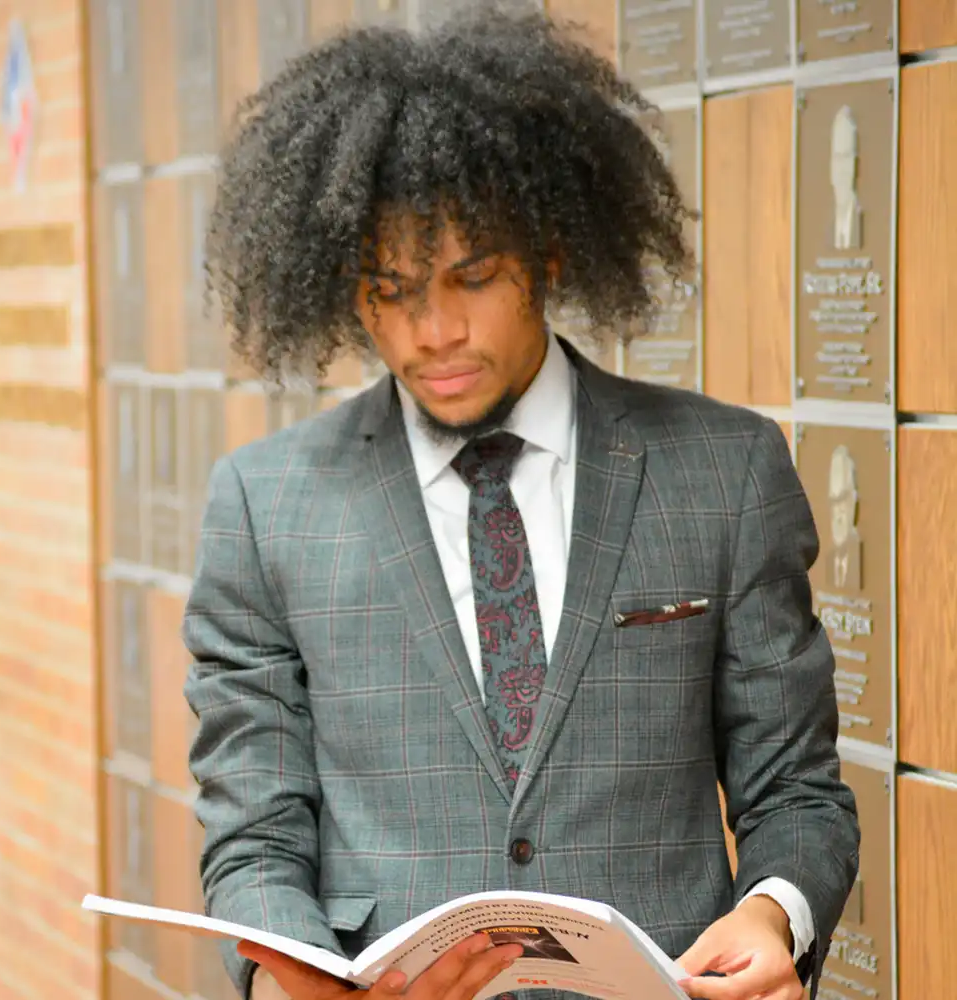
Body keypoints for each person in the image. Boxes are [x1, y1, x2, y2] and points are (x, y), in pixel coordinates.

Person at [182, 7, 860, 1000]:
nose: (434, 330)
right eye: (391, 289)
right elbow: (253, 837)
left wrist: (772, 912)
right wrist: (288, 974)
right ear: (346, 292)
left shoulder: (724, 470)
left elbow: (795, 791)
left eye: (472, 276)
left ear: (546, 254)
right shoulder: (263, 505)